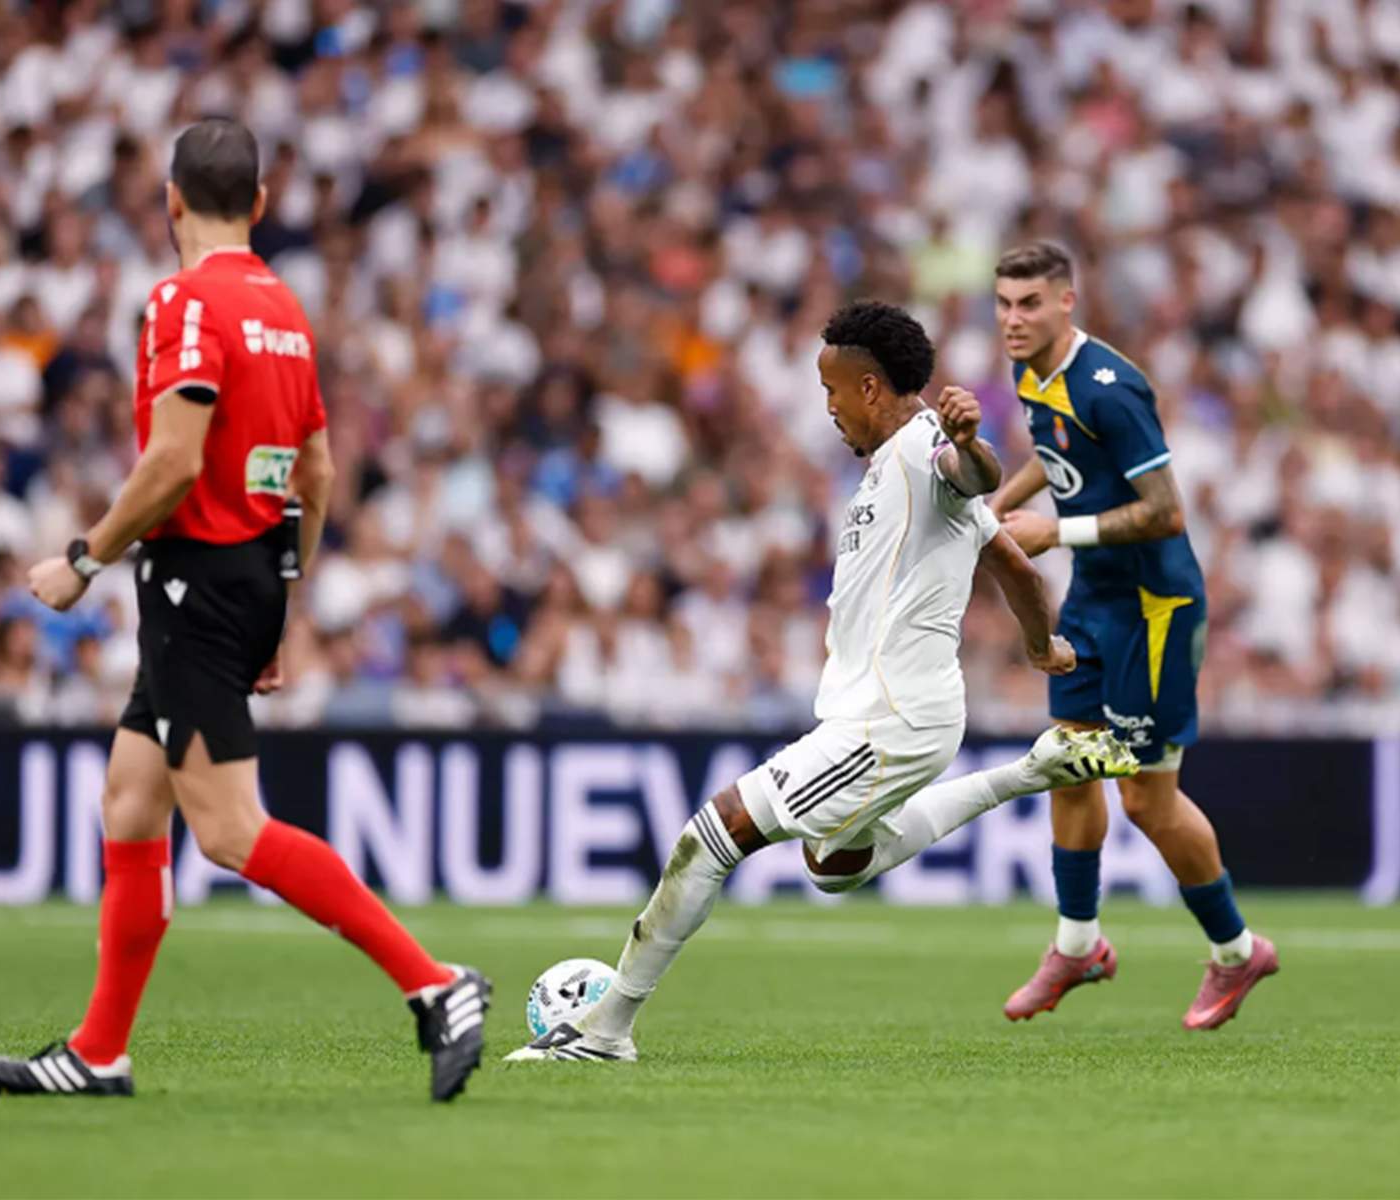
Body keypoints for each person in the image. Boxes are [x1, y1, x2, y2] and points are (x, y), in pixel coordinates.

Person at [0, 119, 491, 1102]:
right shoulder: (285, 309)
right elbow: (320, 470)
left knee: (228, 831)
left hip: (194, 583)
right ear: (257, 204)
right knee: (131, 799)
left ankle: (434, 984)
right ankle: (98, 1052)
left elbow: (171, 463)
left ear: (170, 199)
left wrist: (83, 560)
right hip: (250, 576)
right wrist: (282, 612)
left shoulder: (180, 302)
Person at [505, 300, 1139, 1064]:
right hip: (905, 715)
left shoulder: (924, 449)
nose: (830, 409)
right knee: (834, 865)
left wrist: (976, 451)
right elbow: (1015, 567)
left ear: (871, 387)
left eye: (832, 390)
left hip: (888, 719)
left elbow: (973, 471)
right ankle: (1026, 773)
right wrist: (1045, 648)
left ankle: (605, 1031)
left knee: (711, 835)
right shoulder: (894, 474)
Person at [988, 242, 1276, 1030]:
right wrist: (991, 512)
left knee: (1147, 798)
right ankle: (1077, 945)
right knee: (1067, 765)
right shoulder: (1031, 373)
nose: (1014, 320)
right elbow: (1055, 457)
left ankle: (1236, 952)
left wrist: (1056, 534)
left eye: (1030, 305)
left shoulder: (1110, 387)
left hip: (1154, 605)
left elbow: (1165, 510)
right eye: (1005, 304)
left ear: (1066, 303)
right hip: (1093, 600)